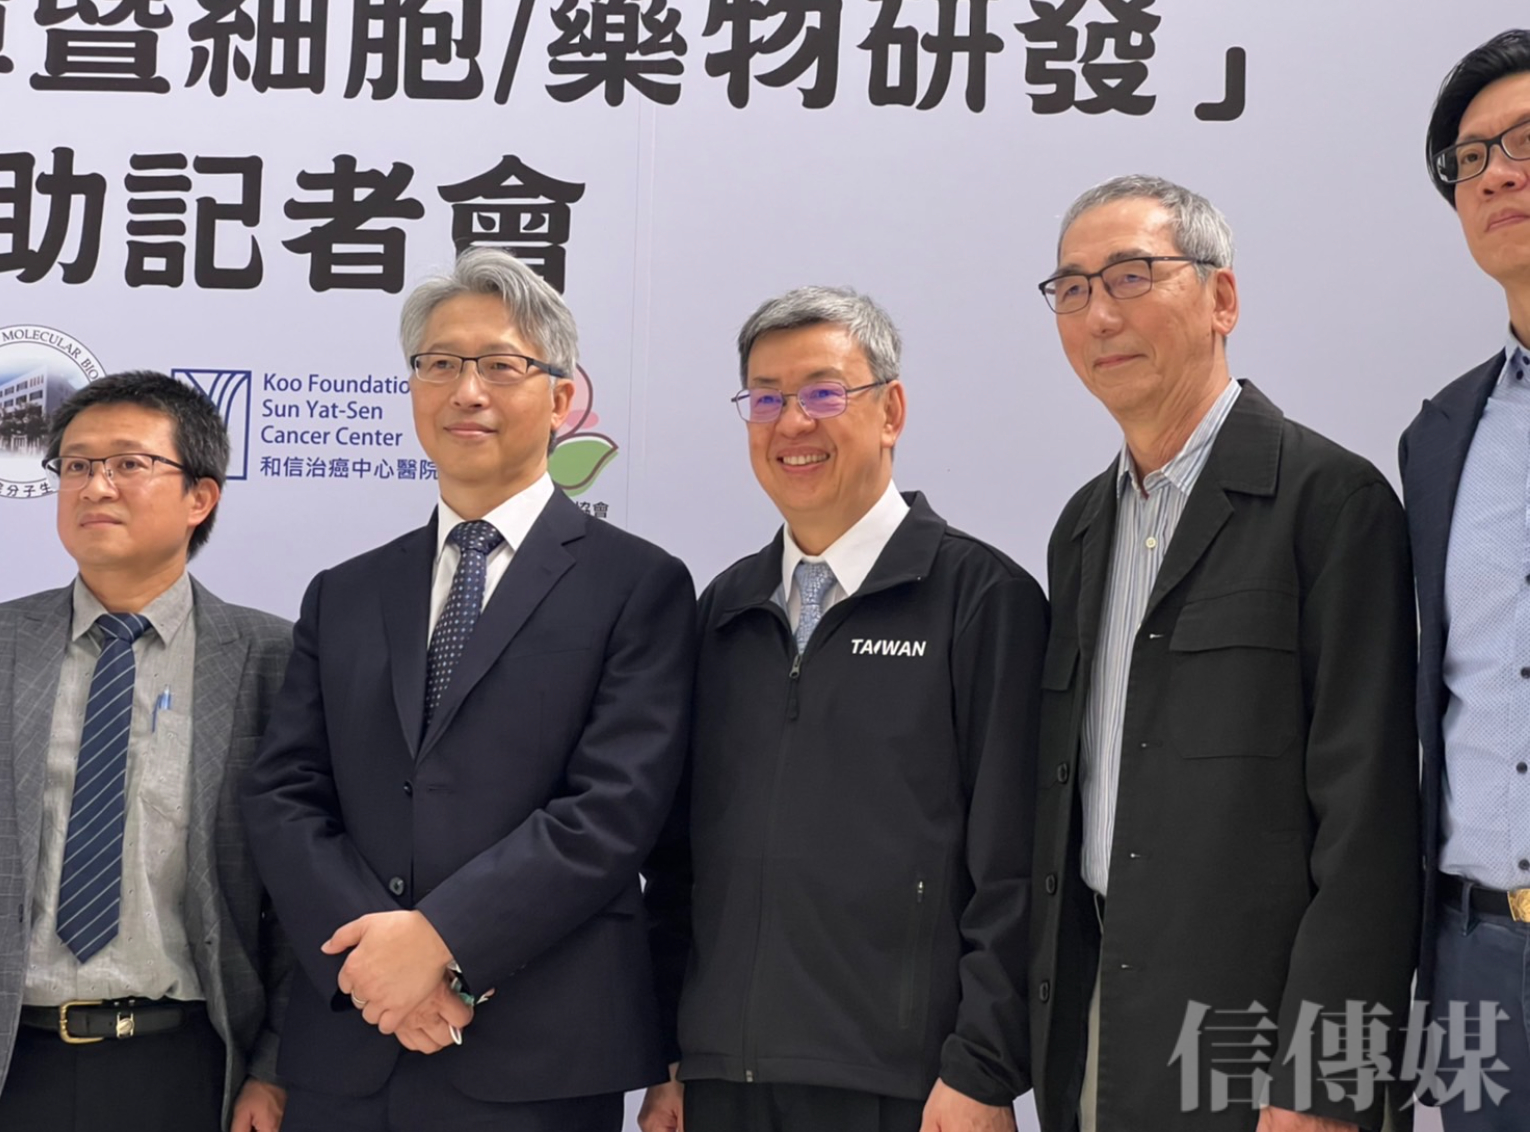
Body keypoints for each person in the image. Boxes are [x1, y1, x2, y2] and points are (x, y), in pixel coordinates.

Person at [243, 246, 696, 1132]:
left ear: (561, 399)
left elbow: (612, 811)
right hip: (352, 1043)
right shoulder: (346, 591)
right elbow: (284, 793)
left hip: (539, 1050)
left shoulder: (638, 585)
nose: (467, 391)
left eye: (500, 365)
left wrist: (442, 944)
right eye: (440, 364)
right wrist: (377, 965)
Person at [1029, 175, 1420, 1132]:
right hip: (1105, 1014)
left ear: (1222, 298)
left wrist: (1324, 1082)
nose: (1099, 314)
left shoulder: (1330, 501)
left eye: (1131, 276)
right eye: (1072, 289)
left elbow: (1370, 823)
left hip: (1263, 1034)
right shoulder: (1080, 528)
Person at [640, 286, 1046, 1132]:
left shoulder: (981, 599)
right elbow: (679, 865)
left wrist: (982, 1068)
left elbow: (1016, 865)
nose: (792, 423)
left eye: (824, 393)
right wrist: (671, 1058)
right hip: (722, 1081)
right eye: (766, 399)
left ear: (890, 410)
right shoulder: (724, 610)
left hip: (909, 1088)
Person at [0, 370, 291, 1131]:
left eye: (129, 463)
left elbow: (305, 892)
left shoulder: (274, 660)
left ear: (201, 497)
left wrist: (275, 1067)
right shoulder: (4, 645)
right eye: (76, 464)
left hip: (188, 1064)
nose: (95, 486)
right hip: (14, 1061)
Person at [1401, 28, 1530, 1130]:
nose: (1496, 174)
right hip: (1479, 953)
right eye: (1472, 157)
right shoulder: (1442, 435)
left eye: (1526, 141)